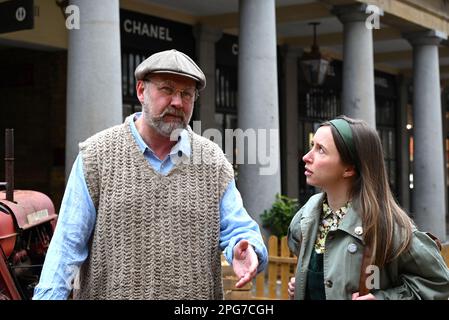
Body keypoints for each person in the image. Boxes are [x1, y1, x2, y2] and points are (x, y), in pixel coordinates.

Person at [33, 49, 268, 300]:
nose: (177, 102)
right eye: (167, 89)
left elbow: (238, 228)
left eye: (186, 94)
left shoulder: (212, 161)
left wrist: (247, 248)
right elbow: (67, 247)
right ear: (141, 91)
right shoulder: (96, 156)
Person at [287, 115, 449, 300]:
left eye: (321, 150)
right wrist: (301, 284)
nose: (306, 157)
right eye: (312, 146)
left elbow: (439, 283)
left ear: (349, 169)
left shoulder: (386, 226)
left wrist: (384, 298)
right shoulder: (306, 215)